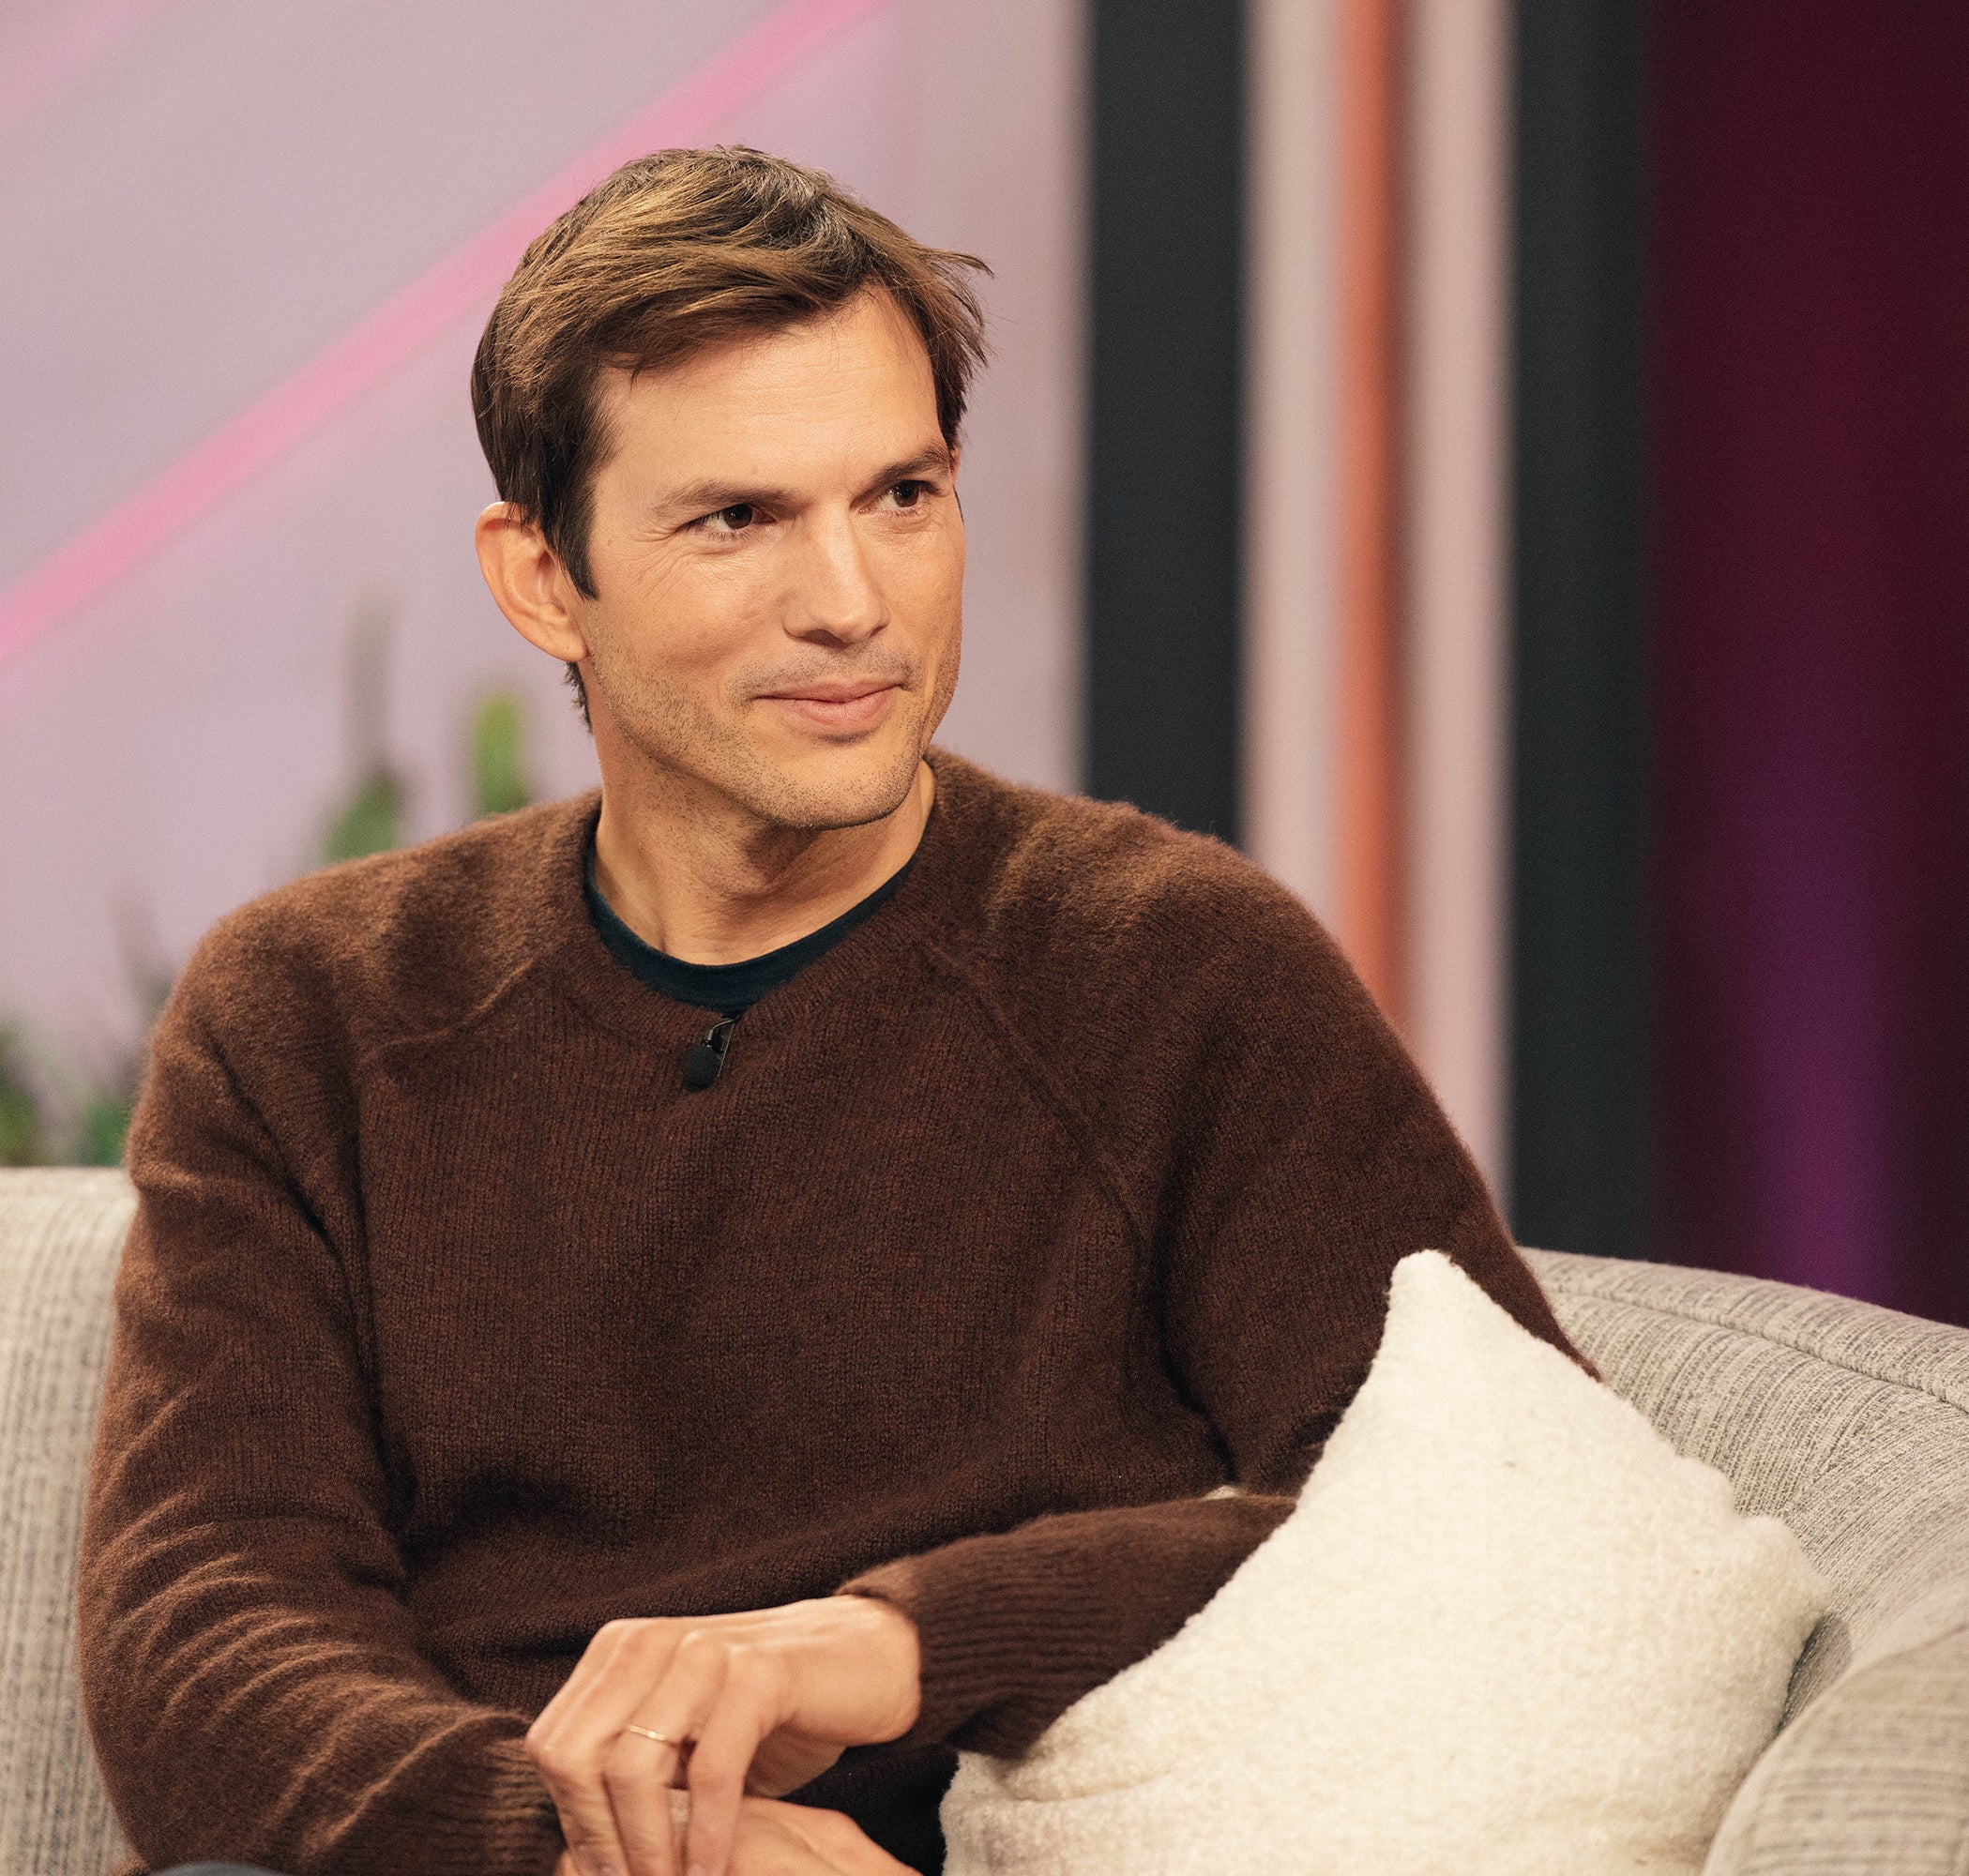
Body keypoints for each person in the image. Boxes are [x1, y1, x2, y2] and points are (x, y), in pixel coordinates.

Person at [78, 146, 1581, 1876]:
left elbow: (1513, 1516)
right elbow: (202, 1637)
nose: (856, 604)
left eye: (902, 496)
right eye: (739, 519)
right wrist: (615, 1852)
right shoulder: (311, 1014)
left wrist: (907, 1641)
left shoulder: (1176, 968)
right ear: (542, 577)